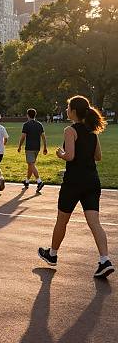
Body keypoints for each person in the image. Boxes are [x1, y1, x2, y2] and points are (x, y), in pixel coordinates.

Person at [38, 95, 114, 278]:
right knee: (94, 222)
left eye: (67, 108)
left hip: (73, 182)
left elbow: (70, 156)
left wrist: (60, 153)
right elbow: (98, 157)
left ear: (73, 111)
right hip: (92, 180)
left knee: (62, 219)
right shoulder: (92, 130)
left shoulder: (70, 130)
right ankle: (105, 260)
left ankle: (53, 254)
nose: (66, 110)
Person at [18, 108, 48, 193]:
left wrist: (19, 146)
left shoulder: (26, 125)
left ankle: (39, 181)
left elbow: (23, 137)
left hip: (29, 148)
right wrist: (45, 147)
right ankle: (27, 181)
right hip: (37, 148)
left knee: (31, 164)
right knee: (31, 165)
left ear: (27, 115)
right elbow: (43, 137)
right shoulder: (39, 124)